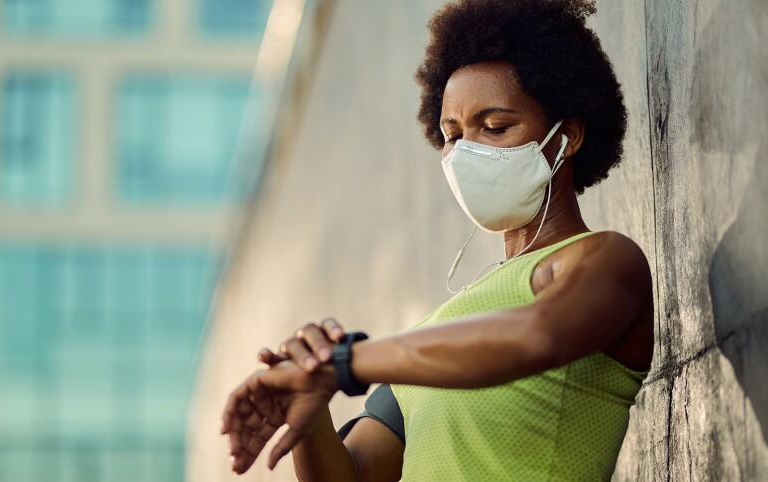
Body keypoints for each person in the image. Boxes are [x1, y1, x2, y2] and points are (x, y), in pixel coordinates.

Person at [220, 0, 653, 480]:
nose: (468, 152)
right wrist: (312, 397)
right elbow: (354, 475)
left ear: (566, 136)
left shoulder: (606, 261)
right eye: (452, 135)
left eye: (495, 127)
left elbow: (535, 336)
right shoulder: (433, 335)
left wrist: (344, 363)